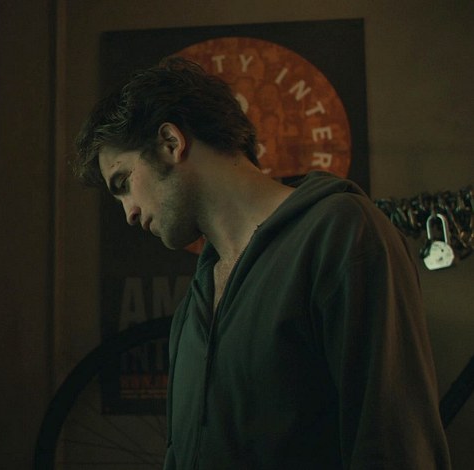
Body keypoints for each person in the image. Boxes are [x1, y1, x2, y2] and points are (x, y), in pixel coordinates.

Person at [73, 57, 451, 469]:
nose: (128, 212)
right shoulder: (196, 305)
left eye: (124, 183)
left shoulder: (342, 233)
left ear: (170, 143)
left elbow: (396, 446)